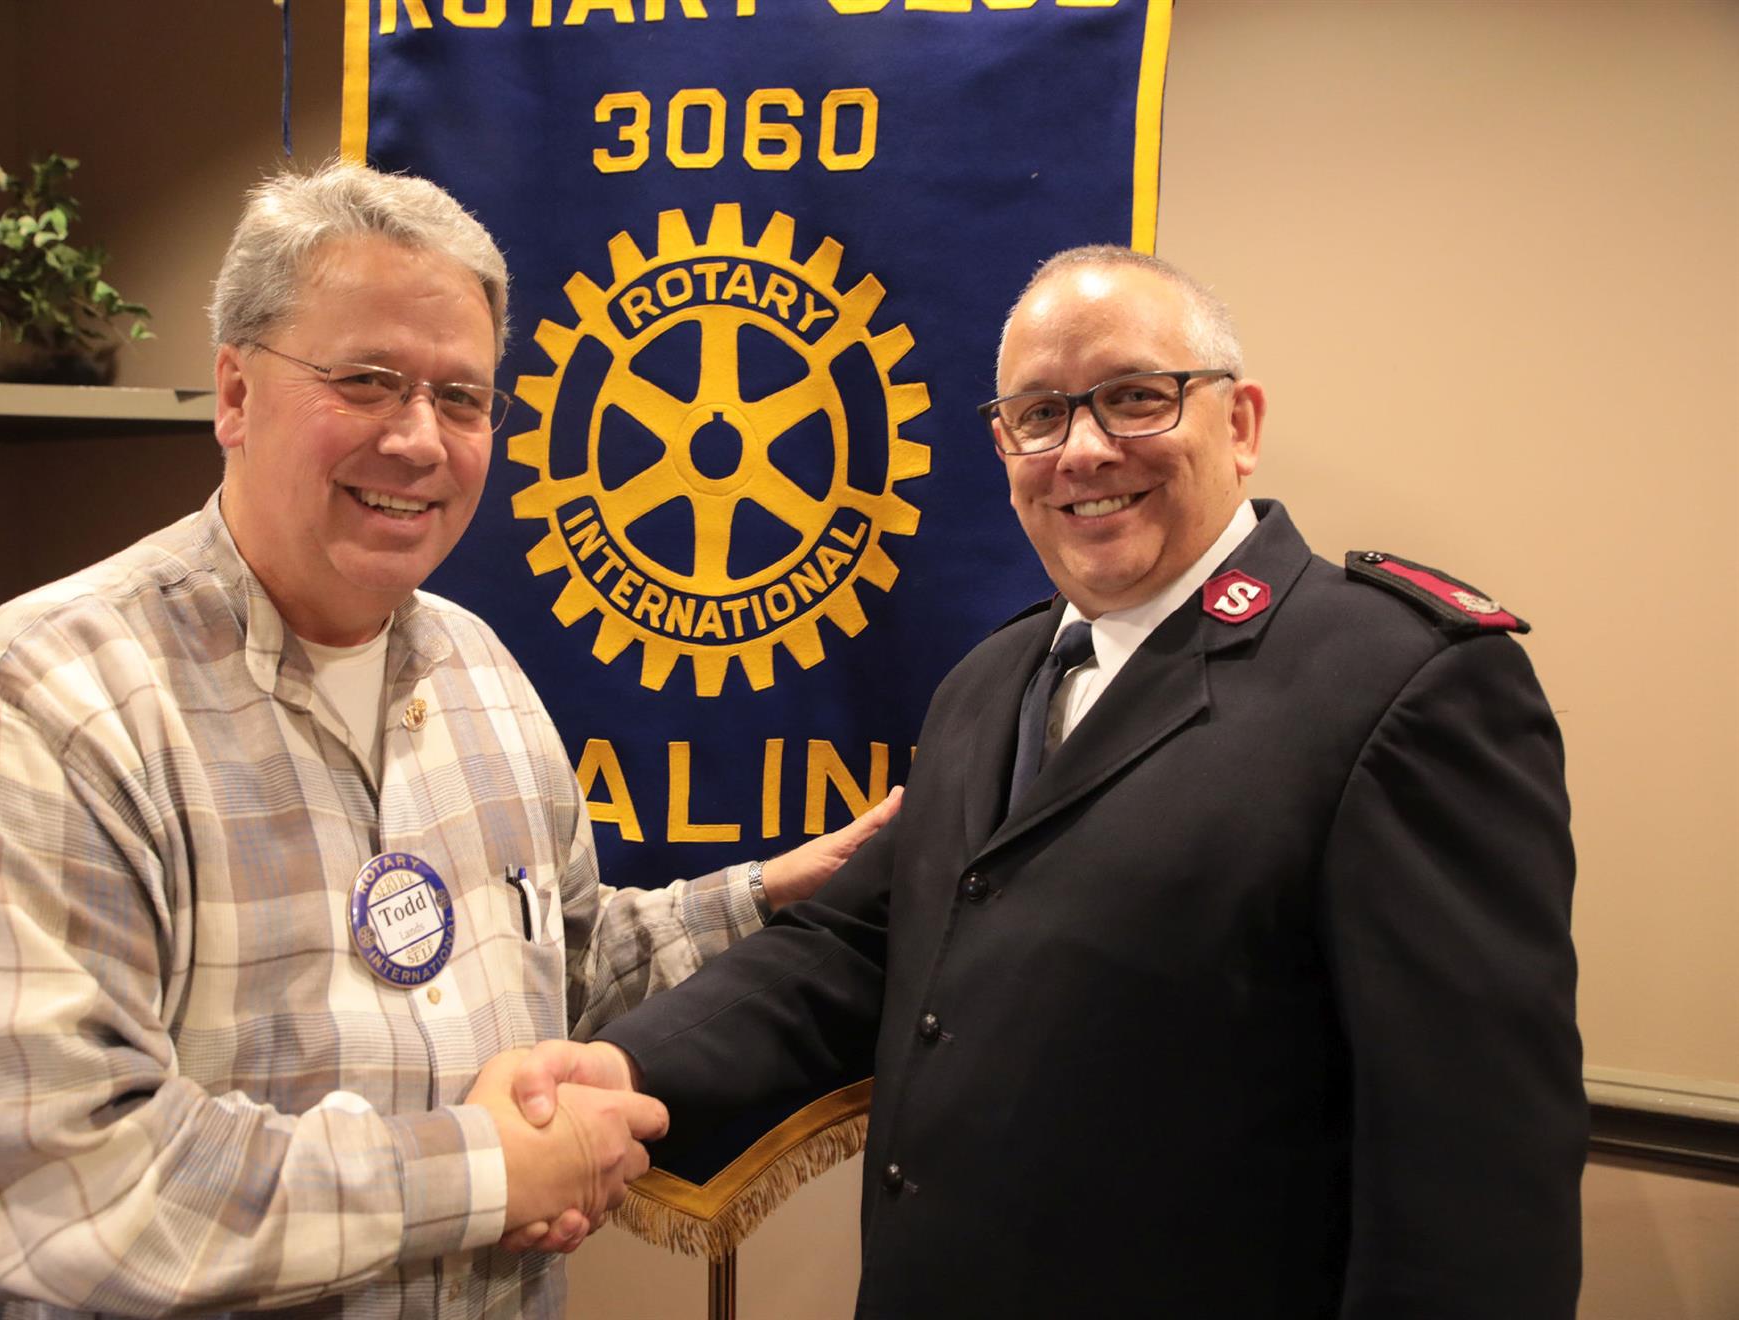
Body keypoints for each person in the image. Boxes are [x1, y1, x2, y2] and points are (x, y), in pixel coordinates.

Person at [0, 161, 894, 1320]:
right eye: (366, 382)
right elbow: (55, 1186)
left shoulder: (479, 672)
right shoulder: (42, 706)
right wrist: (483, 1172)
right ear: (235, 393)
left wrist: (770, 899)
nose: (418, 440)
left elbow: (560, 970)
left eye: (462, 399)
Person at [515, 247, 1586, 1317]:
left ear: (1241, 423)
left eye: (1135, 398)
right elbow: (855, 950)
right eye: (1039, 415)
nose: (1081, 450)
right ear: (1003, 445)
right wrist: (628, 1070)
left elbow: (1477, 1183)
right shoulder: (991, 681)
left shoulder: (1400, 688)